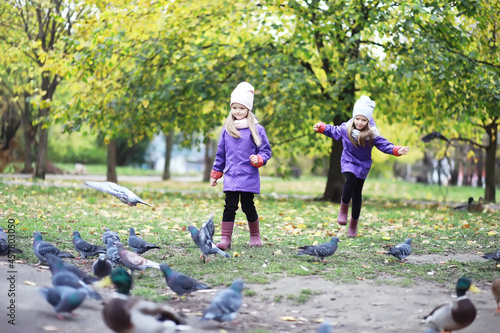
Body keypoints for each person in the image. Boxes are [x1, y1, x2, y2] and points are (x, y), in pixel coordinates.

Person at [313, 95, 409, 238]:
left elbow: (384, 145)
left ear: (368, 121)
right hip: (348, 161)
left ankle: (353, 225)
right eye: (357, 118)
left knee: (357, 194)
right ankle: (343, 209)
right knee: (349, 180)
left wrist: (397, 150)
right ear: (354, 117)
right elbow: (333, 130)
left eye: (363, 120)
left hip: (363, 165)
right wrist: (322, 127)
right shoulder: (346, 128)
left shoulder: (372, 134)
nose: (359, 122)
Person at [210, 82, 272, 249]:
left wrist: (259, 159)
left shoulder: (256, 129)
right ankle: (225, 239)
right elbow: (221, 153)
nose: (237, 111)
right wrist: (216, 173)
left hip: (248, 175)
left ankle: (255, 235)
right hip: (231, 175)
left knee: (247, 206)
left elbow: (266, 151)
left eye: (241, 108)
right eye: (234, 107)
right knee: (229, 206)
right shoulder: (227, 129)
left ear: (248, 110)